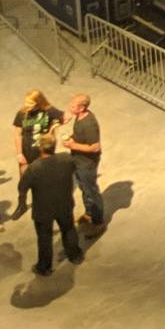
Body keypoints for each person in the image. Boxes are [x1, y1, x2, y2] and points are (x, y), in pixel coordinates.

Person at [19, 133, 81, 275]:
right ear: (54, 146)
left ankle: (44, 267)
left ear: (41, 148)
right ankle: (75, 255)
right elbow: (75, 168)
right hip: (64, 203)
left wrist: (21, 204)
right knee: (68, 229)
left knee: (44, 237)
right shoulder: (66, 159)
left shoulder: (34, 167)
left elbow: (22, 187)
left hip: (43, 209)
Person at [64, 91, 106, 229]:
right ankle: (89, 214)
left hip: (87, 163)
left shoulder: (89, 124)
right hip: (78, 160)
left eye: (73, 106)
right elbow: (80, 136)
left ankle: (98, 221)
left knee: (91, 191)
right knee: (84, 188)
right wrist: (72, 138)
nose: (70, 108)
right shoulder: (79, 117)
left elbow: (95, 147)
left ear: (82, 108)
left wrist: (73, 145)